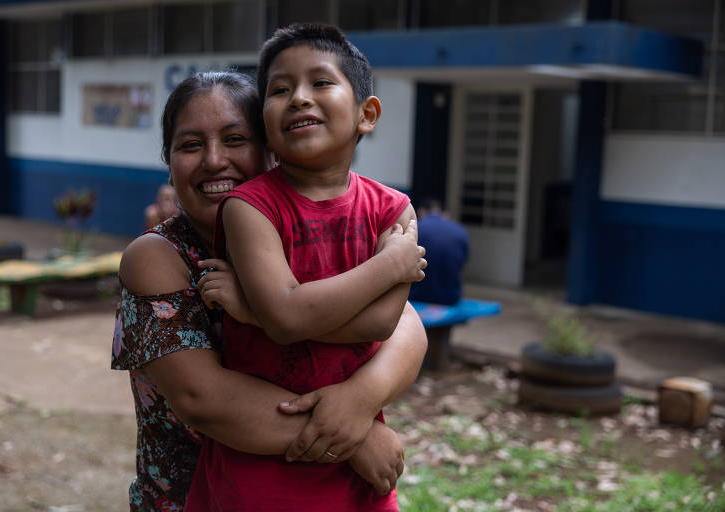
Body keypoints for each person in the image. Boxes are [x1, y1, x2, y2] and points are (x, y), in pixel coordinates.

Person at [111, 71, 428, 511]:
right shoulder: (158, 257)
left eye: (236, 139)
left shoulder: (303, 231)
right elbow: (205, 399)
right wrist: (357, 438)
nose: (214, 160)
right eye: (190, 145)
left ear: (273, 151)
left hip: (318, 493)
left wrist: (361, 398)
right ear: (169, 162)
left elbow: (404, 325)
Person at [186, 24, 425, 511]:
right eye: (279, 89)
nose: (299, 98)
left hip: (357, 463)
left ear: (367, 113)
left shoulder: (392, 209)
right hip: (261, 471)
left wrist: (258, 314)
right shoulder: (249, 207)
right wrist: (390, 265)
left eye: (320, 83)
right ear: (266, 124)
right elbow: (290, 317)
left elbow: (382, 323)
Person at [408, 198, 469, 305]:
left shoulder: (414, 229)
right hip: (450, 298)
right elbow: (462, 264)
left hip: (416, 296)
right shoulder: (461, 231)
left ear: (421, 212)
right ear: (445, 215)